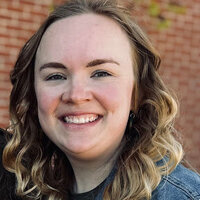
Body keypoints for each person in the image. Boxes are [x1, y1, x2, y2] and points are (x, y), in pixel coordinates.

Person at [0, 0, 200, 199]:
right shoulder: (31, 190)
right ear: (33, 96)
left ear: (138, 93)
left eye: (101, 73)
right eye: (56, 76)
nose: (76, 96)